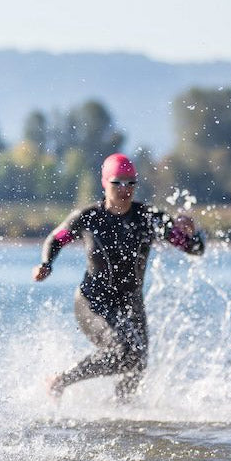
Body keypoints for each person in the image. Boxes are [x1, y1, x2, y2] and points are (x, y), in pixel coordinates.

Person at [33, 152, 205, 401]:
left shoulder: (148, 218)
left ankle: (122, 416)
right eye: (117, 182)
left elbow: (195, 249)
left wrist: (193, 232)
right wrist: (46, 264)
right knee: (123, 350)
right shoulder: (89, 217)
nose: (125, 189)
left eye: (130, 182)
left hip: (131, 304)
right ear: (105, 183)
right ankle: (60, 381)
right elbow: (56, 238)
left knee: (137, 362)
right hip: (93, 303)